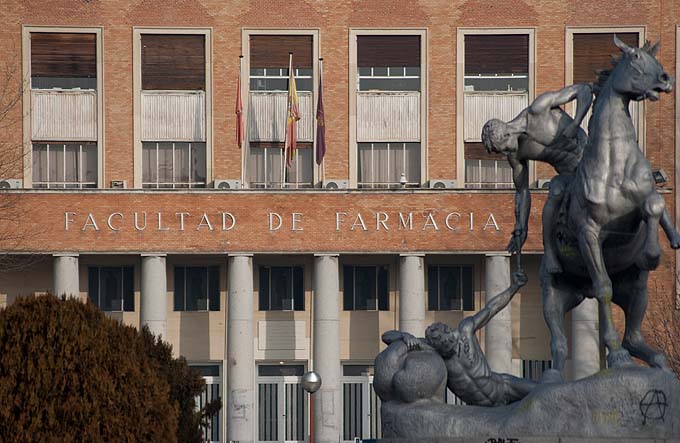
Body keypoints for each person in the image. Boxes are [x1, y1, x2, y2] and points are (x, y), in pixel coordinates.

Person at [482, 84, 680, 273]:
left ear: (507, 133)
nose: (506, 154)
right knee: (555, 192)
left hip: (592, 156)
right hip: (569, 175)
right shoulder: (516, 156)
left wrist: (576, 122)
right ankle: (550, 253)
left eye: (504, 148)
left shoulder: (539, 109)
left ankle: (670, 230)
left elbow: (583, 90)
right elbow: (522, 191)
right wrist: (521, 227)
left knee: (636, 177)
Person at [382, 270, 534, 407]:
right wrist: (404, 335)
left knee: (543, 394)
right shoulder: (432, 349)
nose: (446, 346)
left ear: (449, 331)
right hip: (481, 409)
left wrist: (514, 287)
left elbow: (491, 309)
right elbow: (387, 336)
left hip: (504, 387)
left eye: (447, 341)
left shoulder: (465, 330)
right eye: (441, 345)